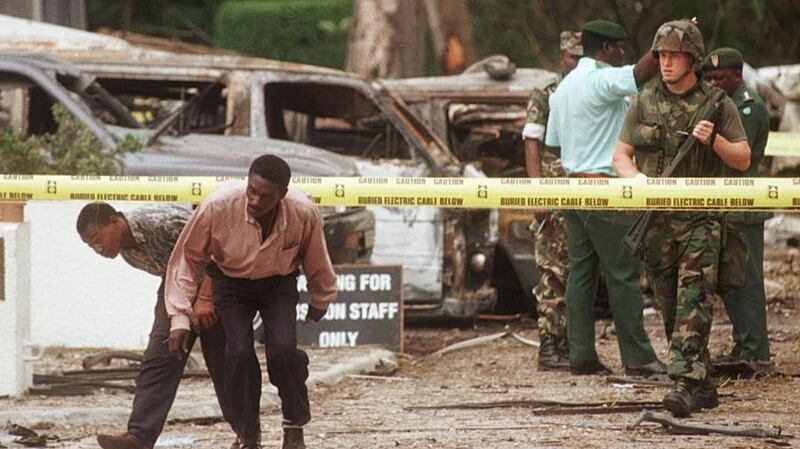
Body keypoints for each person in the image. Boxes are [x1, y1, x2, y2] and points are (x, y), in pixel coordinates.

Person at [613, 20, 751, 417]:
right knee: (671, 304)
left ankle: (684, 384)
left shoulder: (716, 103)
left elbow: (741, 159)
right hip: (655, 223)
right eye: (662, 55)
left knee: (695, 299)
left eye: (675, 55)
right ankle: (701, 381)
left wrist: (715, 140)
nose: (667, 62)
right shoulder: (643, 101)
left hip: (700, 221)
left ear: (692, 59)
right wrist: (637, 182)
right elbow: (621, 156)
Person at [165, 154, 336, 449]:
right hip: (231, 285)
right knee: (239, 354)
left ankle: (293, 424)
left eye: (265, 196)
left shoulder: (303, 211)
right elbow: (186, 261)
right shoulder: (217, 205)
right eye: (251, 191)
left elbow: (316, 257)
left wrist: (321, 297)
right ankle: (248, 434)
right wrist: (179, 317)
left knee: (283, 351)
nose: (255, 200)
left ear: (282, 195)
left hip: (278, 285)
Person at [544, 19, 664, 376]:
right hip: (603, 189)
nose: (622, 52)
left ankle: (580, 355)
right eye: (619, 47)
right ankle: (639, 358)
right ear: (606, 49)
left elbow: (553, 143)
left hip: (572, 188)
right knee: (622, 274)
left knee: (581, 274)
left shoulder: (563, 88)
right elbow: (640, 72)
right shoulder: (600, 80)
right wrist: (666, 40)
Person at [76, 202, 238, 449]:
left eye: (98, 239)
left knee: (222, 362)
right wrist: (179, 317)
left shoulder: (162, 223)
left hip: (219, 279)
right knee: (160, 355)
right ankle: (139, 437)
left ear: (115, 222)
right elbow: (173, 277)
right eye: (91, 246)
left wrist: (205, 299)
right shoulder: (128, 253)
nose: (98, 249)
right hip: (179, 286)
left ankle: (247, 435)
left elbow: (220, 249)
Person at [702, 47, 772, 374]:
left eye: (720, 77)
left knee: (748, 280)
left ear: (737, 76)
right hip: (723, 203)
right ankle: (743, 344)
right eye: (710, 77)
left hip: (744, 203)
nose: (714, 83)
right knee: (731, 280)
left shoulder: (749, 107)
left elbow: (740, 159)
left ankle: (756, 351)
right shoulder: (722, 104)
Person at [522, 30, 583, 371]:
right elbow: (532, 141)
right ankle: (550, 342)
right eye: (571, 57)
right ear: (562, 58)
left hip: (585, 185)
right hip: (554, 184)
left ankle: (574, 341)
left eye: (581, 58)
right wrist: (538, 189)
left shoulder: (592, 88)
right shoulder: (548, 92)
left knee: (579, 268)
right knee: (551, 267)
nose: (575, 64)